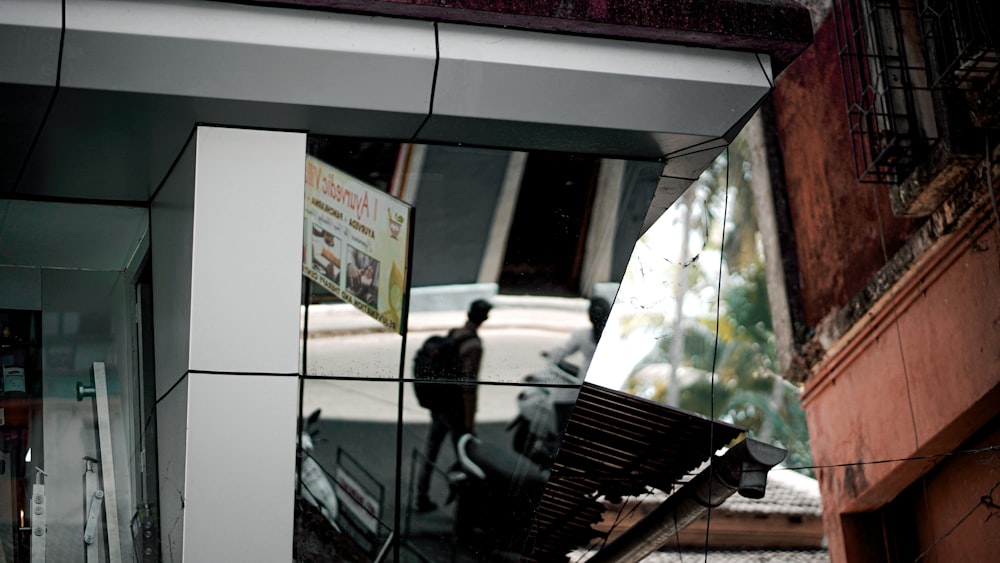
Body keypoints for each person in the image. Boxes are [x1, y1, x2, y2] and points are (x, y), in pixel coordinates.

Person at [414, 298, 492, 513]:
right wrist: (470, 421)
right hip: (455, 409)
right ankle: (467, 509)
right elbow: (469, 387)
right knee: (466, 458)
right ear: (485, 318)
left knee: (431, 449)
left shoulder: (454, 333)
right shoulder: (473, 345)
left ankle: (421, 496)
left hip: (439, 403)